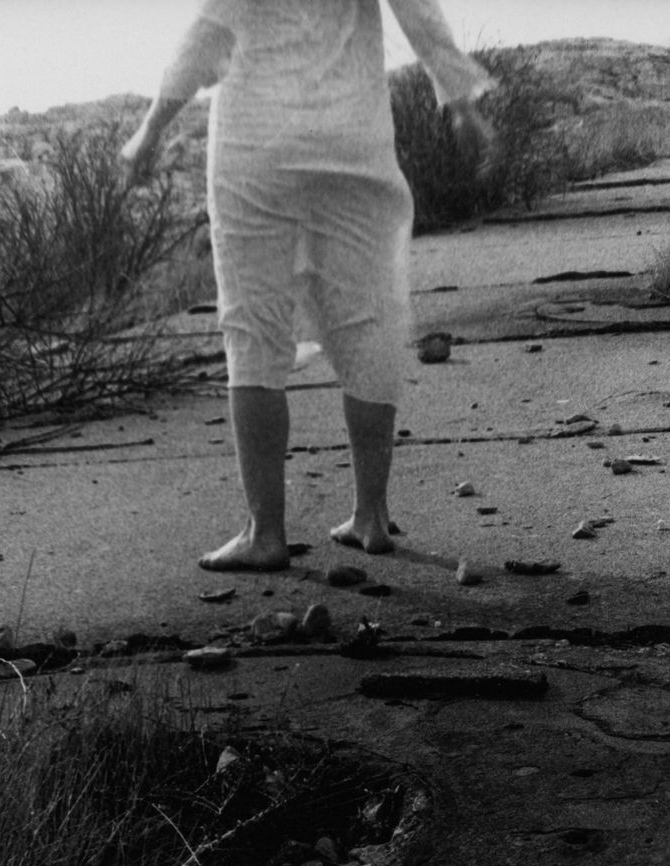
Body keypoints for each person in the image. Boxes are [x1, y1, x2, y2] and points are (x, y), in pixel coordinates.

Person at [122, 0, 492, 571]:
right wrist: (462, 103)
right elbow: (417, 10)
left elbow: (207, 33)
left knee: (252, 325)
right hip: (351, 137)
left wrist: (150, 130)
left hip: (256, 143)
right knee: (368, 317)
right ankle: (371, 515)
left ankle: (264, 532)